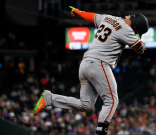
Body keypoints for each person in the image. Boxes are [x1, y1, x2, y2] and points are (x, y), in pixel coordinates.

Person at [32, 6, 149, 135]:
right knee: (112, 100)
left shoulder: (107, 18)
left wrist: (78, 12)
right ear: (136, 27)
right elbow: (140, 49)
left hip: (85, 64)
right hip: (99, 64)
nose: (137, 33)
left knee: (85, 105)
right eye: (138, 31)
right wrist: (138, 42)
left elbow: (91, 16)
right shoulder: (127, 29)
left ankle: (49, 99)